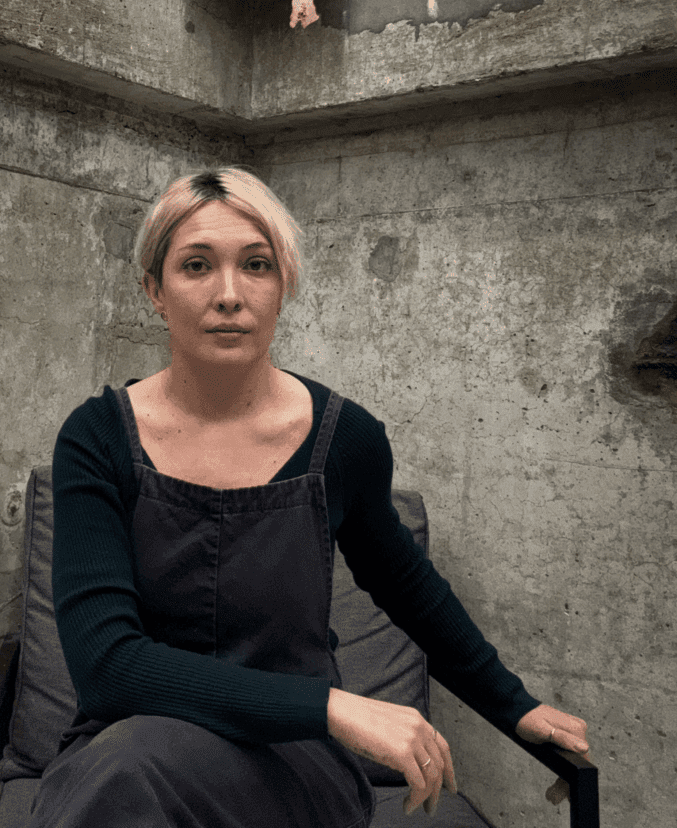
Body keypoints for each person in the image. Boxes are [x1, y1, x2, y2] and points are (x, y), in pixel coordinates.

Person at [31, 168, 589, 827]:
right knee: (129, 765)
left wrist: (513, 705)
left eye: (257, 265)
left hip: (290, 763)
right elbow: (109, 669)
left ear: (284, 284)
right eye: (197, 266)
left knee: (122, 778)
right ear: (155, 290)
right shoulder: (96, 439)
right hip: (125, 749)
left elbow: (406, 585)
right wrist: (332, 706)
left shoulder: (343, 439)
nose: (229, 295)